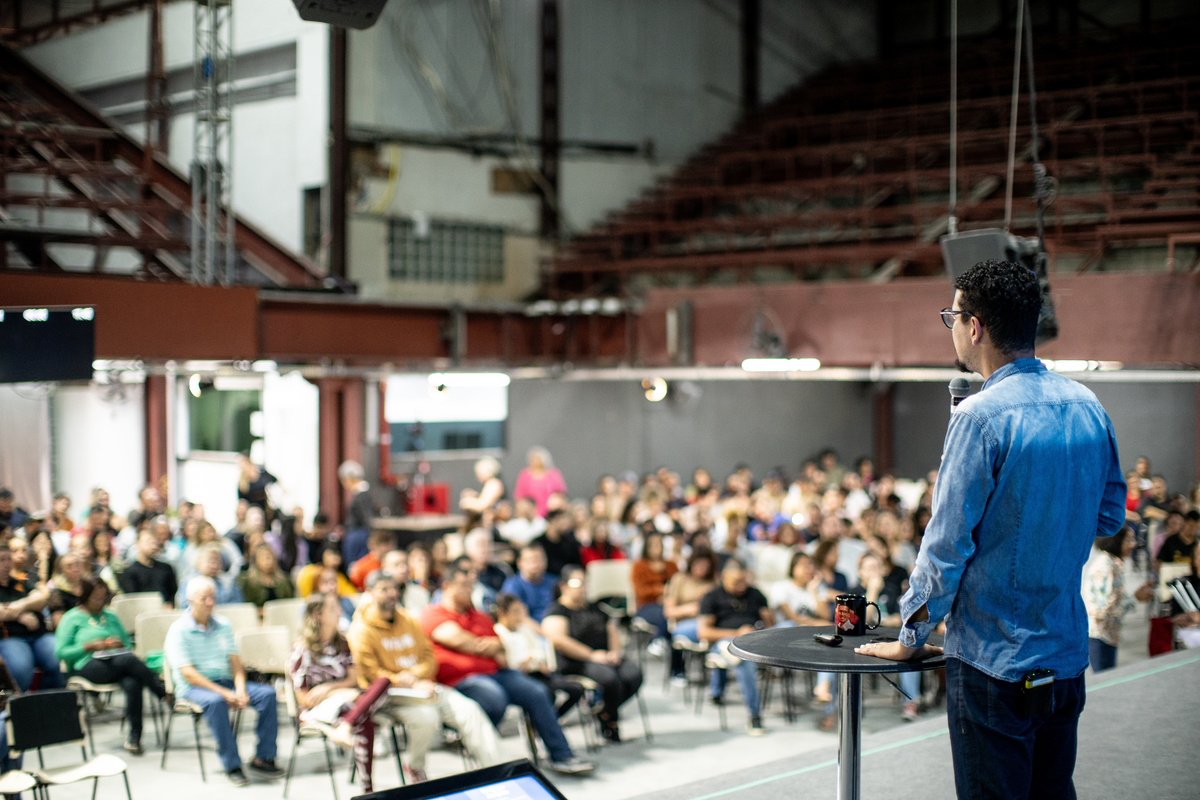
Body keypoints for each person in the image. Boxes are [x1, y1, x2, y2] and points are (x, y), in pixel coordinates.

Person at [855, 260, 1127, 800]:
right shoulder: (1089, 406)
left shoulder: (979, 417)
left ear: (973, 325)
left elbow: (944, 547)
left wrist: (910, 637)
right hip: (1066, 655)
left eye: (951, 315)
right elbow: (1110, 516)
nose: (951, 326)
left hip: (992, 664)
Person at [420, 561, 594, 775]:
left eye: (471, 585)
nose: (469, 590)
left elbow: (501, 648)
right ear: (447, 586)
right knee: (494, 697)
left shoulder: (480, 616)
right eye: (463, 585)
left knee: (537, 692)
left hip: (496, 673)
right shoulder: (433, 614)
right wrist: (483, 645)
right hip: (461, 680)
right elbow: (458, 640)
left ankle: (562, 755)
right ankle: (489, 762)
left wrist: (484, 645)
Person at [347, 572, 501, 781]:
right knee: (427, 717)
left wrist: (415, 677)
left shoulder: (408, 620)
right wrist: (405, 681)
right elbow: (370, 674)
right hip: (389, 695)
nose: (392, 594)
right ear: (369, 593)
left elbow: (429, 657)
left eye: (394, 588)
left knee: (469, 710)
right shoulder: (360, 629)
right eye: (384, 589)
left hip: (423, 686)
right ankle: (415, 766)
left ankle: (497, 772)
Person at [164, 576, 284, 786]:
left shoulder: (223, 624)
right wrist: (225, 693)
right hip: (194, 687)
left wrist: (239, 690)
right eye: (204, 598)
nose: (210, 602)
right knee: (215, 702)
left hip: (225, 681)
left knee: (267, 694)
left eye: (212, 597)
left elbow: (236, 663)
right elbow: (188, 674)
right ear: (191, 600)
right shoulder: (178, 630)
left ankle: (264, 757)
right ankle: (232, 764)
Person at [286, 592, 391, 792]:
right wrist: (336, 693)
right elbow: (305, 699)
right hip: (317, 710)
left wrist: (331, 688)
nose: (340, 612)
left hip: (347, 701)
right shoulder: (301, 651)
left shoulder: (341, 643)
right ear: (318, 615)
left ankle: (346, 725)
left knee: (384, 682)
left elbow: (352, 678)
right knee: (365, 720)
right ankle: (367, 789)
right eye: (333, 609)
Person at [54, 577, 167, 754]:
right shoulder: (72, 618)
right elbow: (61, 652)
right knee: (130, 661)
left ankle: (134, 737)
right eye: (95, 598)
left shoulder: (110, 615)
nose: (100, 602)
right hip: (84, 666)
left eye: (103, 598)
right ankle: (162, 692)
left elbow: (127, 644)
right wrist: (89, 646)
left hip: (115, 663)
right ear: (85, 596)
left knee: (132, 682)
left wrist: (118, 645)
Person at [543, 565, 643, 743]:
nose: (583, 587)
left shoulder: (595, 607)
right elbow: (558, 640)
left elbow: (611, 629)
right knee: (610, 679)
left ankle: (605, 711)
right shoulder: (557, 610)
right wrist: (591, 655)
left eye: (584, 582)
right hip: (576, 661)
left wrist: (614, 652)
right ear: (564, 586)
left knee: (633, 674)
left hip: (604, 656)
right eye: (577, 583)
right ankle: (610, 720)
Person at [698, 558, 772, 736]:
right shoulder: (712, 597)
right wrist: (736, 633)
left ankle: (732, 654)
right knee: (742, 656)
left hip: (753, 639)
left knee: (743, 654)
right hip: (723, 640)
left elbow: (770, 624)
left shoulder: (755, 594)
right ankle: (755, 715)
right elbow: (704, 632)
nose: (741, 585)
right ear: (724, 577)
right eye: (736, 582)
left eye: (743, 581)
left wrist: (760, 626)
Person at [493, 593, 585, 718]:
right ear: (502, 613)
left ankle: (553, 719)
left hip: (540, 673)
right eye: (515, 612)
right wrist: (529, 661)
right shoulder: (497, 633)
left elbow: (539, 651)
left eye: (520, 611)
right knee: (547, 694)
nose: (519, 616)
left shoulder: (524, 629)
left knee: (576, 690)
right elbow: (511, 662)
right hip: (521, 678)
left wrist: (536, 661)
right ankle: (545, 723)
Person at [1083, 527, 1154, 672]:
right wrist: (1135, 598)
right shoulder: (1106, 567)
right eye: (1129, 539)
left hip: (1108, 634)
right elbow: (1103, 610)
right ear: (1116, 541)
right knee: (1104, 681)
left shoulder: (1112, 564)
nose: (1133, 544)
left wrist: (1135, 596)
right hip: (1100, 635)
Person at [0, 545, 65, 691]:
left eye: (8, 559)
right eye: (1, 560)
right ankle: (20, 707)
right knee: (21, 669)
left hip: (39, 635)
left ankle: (46, 702)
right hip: (10, 638)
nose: (6, 564)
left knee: (58, 658)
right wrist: (21, 616)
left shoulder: (20, 581)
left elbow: (41, 599)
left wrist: (20, 606)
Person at [663, 546, 718, 684]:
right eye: (699, 564)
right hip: (685, 621)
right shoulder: (679, 579)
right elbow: (669, 611)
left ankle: (718, 677)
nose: (702, 568)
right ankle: (677, 670)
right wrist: (691, 608)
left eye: (706, 565)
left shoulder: (714, 582)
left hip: (710, 620)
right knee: (709, 630)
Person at [630, 531, 678, 651]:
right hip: (647, 606)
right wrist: (661, 590)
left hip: (670, 602)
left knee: (673, 612)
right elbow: (640, 591)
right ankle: (659, 640)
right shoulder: (639, 566)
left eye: (659, 544)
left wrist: (668, 596)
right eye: (653, 544)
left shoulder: (671, 565)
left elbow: (678, 585)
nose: (657, 547)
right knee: (666, 612)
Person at [119, 528, 179, 606]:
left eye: (155, 543)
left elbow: (172, 592)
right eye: (148, 543)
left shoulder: (166, 569)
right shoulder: (130, 572)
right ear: (138, 544)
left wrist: (169, 604)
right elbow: (132, 598)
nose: (153, 547)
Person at [500, 545, 556, 622]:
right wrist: (545, 633)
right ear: (519, 563)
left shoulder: (555, 582)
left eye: (538, 559)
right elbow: (517, 618)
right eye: (530, 560)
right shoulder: (512, 586)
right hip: (527, 630)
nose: (535, 565)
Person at [178, 544, 243, 609]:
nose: (214, 565)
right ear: (198, 562)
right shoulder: (188, 582)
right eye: (210, 561)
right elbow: (184, 605)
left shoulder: (229, 582)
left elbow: (238, 605)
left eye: (218, 561)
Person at [338, 461, 376, 566]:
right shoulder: (361, 494)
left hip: (358, 535)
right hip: (357, 533)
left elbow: (366, 517)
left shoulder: (362, 496)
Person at [513, 447, 567, 518]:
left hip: (550, 513)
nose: (535, 461)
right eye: (533, 459)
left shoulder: (553, 474)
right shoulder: (524, 475)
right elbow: (519, 496)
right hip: (530, 514)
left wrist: (556, 501)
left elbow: (561, 494)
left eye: (538, 459)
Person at [47, 553, 88, 629]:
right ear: (62, 570)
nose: (75, 569)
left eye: (77, 564)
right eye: (69, 566)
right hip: (72, 630)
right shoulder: (57, 593)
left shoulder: (90, 587)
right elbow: (59, 624)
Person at [237, 452, 278, 521]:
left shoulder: (263, 474)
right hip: (252, 512)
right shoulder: (242, 483)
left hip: (267, 509)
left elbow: (275, 482)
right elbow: (242, 501)